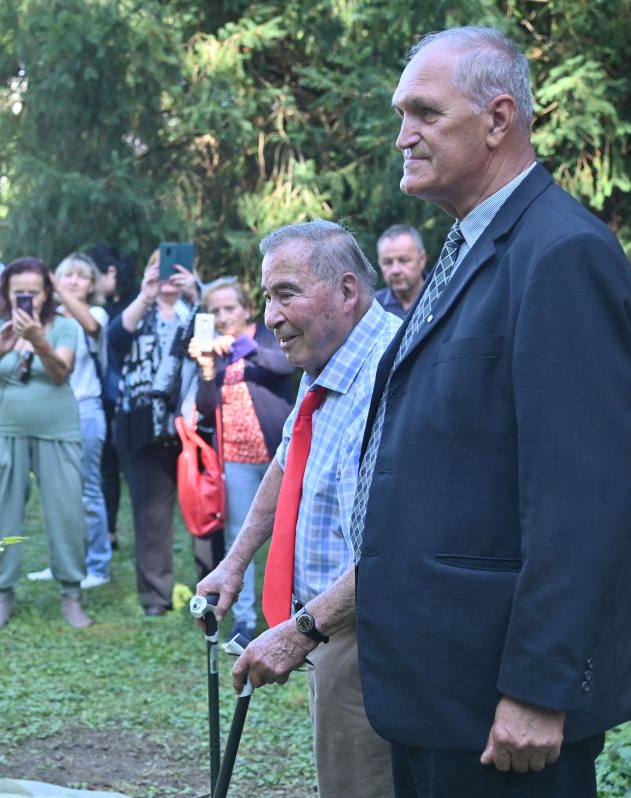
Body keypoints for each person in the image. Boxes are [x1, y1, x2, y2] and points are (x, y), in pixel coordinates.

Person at [353, 26, 631, 797]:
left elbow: (582, 495)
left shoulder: (562, 254)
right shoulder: (465, 250)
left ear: (497, 120)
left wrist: (537, 687)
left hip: (501, 709)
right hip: (439, 688)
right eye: (400, 114)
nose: (403, 136)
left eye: (424, 113)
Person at [195, 221, 401, 798]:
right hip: (328, 628)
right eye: (267, 297)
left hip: (367, 634)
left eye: (286, 294)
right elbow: (290, 461)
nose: (270, 317)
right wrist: (234, 562)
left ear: (346, 290)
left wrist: (302, 631)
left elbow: (393, 547)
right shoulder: (330, 363)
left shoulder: (394, 375)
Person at [0, 257, 92, 629]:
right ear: (6, 292)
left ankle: (71, 593)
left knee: (67, 513)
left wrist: (38, 341)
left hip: (59, 431)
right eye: (18, 291)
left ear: (46, 293)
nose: (26, 299)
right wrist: (0, 351)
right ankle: (0, 594)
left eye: (33, 292)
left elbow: (61, 373)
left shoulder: (64, 327)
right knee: (1, 514)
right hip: (5, 431)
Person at [187, 277, 295, 641]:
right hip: (235, 458)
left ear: (247, 309)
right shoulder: (213, 350)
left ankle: (295, 612)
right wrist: (206, 367)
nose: (222, 316)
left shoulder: (267, 335)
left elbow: (283, 366)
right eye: (215, 310)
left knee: (290, 533)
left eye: (229, 308)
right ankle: (244, 618)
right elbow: (205, 407)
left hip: (281, 453)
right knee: (239, 538)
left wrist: (238, 345)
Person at [107, 248, 200, 616]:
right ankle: (155, 597)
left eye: (175, 268)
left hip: (194, 423)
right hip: (143, 425)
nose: (167, 276)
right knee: (151, 516)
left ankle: (211, 589)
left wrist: (196, 294)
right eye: (158, 268)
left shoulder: (198, 309)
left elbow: (221, 338)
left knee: (204, 510)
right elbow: (116, 339)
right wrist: (145, 296)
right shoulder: (137, 309)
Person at [26, 252, 111, 589]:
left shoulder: (96, 314)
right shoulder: (47, 319)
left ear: (92, 285)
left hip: (84, 410)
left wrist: (58, 290)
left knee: (87, 492)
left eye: (81, 276)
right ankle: (62, 562)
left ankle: (97, 566)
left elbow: (91, 327)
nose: (73, 281)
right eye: (66, 275)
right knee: (54, 493)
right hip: (49, 411)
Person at [87, 243, 138, 553]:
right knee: (107, 469)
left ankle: (142, 532)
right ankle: (109, 531)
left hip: (130, 401)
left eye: (93, 277)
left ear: (111, 272)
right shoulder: (102, 307)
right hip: (104, 399)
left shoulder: (136, 302)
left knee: (131, 469)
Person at [374, 224, 427, 317]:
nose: (395, 270)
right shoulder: (373, 307)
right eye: (387, 262)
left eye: (404, 260)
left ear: (422, 259)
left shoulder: (443, 297)